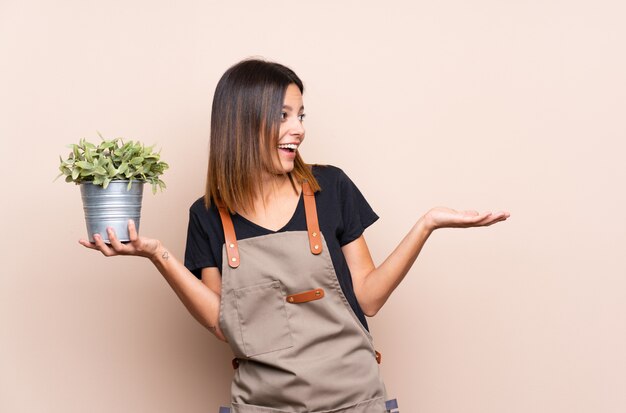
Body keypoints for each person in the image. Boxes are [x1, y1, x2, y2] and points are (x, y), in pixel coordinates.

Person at [80, 58, 510, 413]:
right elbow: (220, 323)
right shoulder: (208, 216)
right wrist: (158, 255)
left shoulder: (331, 188)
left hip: (355, 401)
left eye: (301, 115)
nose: (299, 128)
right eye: (283, 115)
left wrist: (426, 224)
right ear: (243, 122)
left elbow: (370, 298)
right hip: (263, 406)